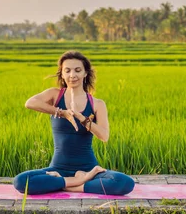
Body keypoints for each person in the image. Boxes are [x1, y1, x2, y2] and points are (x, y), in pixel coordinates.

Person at [13, 51, 135, 196]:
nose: (72, 75)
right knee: (21, 181)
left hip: (89, 169)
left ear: (85, 73)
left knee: (124, 183)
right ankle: (77, 181)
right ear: (62, 74)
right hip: (57, 169)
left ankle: (71, 185)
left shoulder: (97, 104)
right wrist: (62, 112)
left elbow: (104, 136)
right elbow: (30, 103)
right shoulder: (54, 95)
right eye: (67, 70)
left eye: (78, 70)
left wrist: (82, 118)